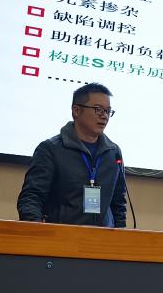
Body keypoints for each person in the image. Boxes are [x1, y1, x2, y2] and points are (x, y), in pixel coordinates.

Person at [17, 83, 128, 227]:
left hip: (103, 238)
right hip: (62, 236)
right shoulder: (51, 149)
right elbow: (32, 197)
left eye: (108, 111)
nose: (105, 116)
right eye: (98, 110)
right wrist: (38, 233)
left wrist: (120, 235)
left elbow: (118, 204)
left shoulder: (113, 152)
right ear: (76, 110)